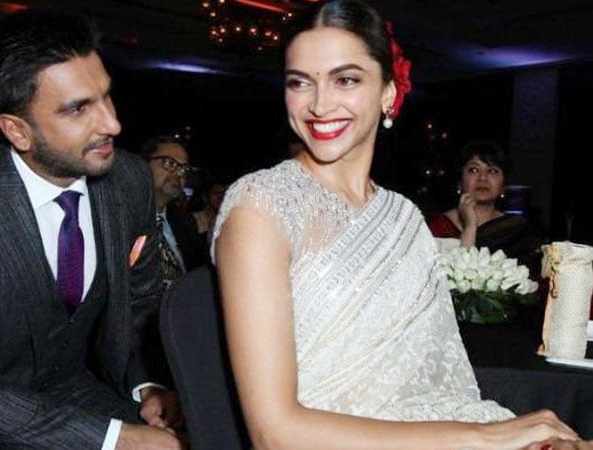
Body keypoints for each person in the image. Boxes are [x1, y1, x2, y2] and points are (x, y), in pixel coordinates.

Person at [210, 1, 589, 449]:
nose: (319, 104)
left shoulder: (405, 218)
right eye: (300, 83)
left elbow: (440, 386)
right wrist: (481, 439)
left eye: (345, 79)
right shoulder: (261, 208)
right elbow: (273, 433)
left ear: (388, 93)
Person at [0, 9, 183, 449]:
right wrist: (115, 440)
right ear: (17, 131)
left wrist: (147, 386)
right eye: (78, 109)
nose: (112, 124)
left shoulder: (129, 180)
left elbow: (139, 305)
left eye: (106, 98)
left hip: (77, 393)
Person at [427, 141, 544, 277]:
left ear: (503, 186)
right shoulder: (436, 226)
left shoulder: (516, 232)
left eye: (493, 171)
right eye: (474, 170)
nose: (483, 178)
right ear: (460, 182)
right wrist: (470, 226)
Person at [141, 135, 205, 284]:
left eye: (184, 169)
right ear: (143, 165)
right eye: (169, 163)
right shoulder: (119, 215)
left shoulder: (185, 223)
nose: (178, 174)